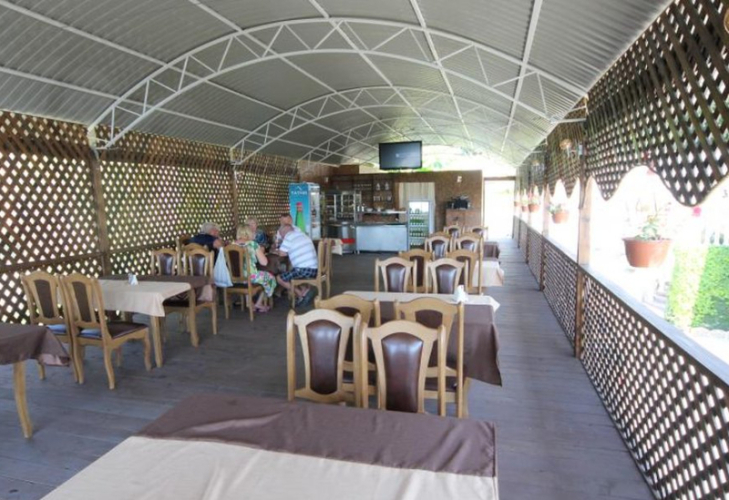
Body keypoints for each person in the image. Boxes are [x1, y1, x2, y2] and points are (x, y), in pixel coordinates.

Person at [234, 226, 277, 313]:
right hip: (251, 276)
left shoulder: (232, 245)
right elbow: (264, 263)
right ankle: (259, 303)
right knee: (271, 278)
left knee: (252, 277)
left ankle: (249, 303)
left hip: (235, 278)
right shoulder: (253, 244)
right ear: (249, 233)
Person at [275, 224, 318, 305]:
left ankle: (300, 295)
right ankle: (305, 290)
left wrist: (278, 250)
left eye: (281, 235)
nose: (281, 237)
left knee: (279, 278)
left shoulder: (288, 237)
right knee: (292, 272)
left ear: (283, 232)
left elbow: (282, 253)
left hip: (303, 270)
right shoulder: (302, 234)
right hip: (314, 269)